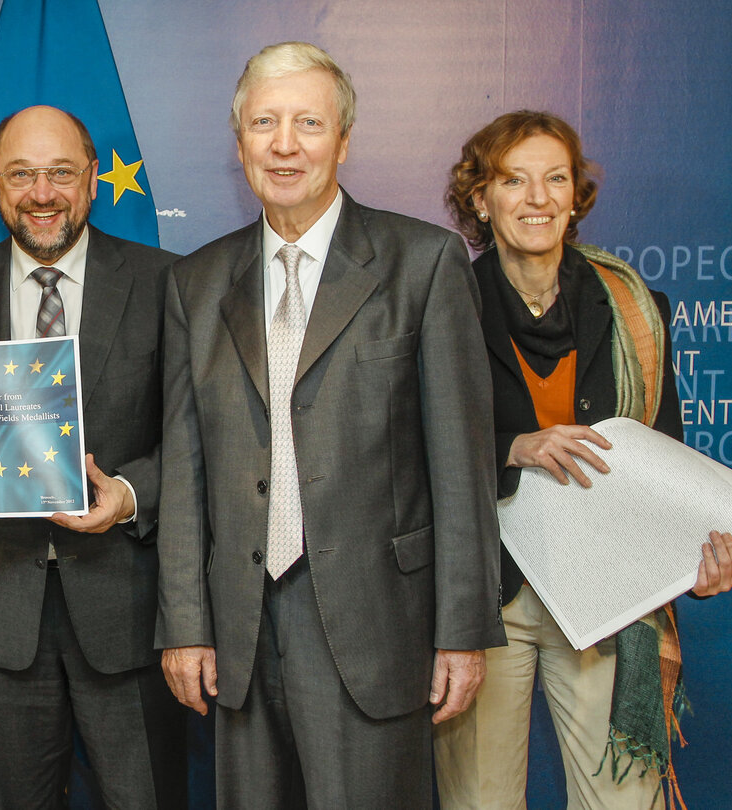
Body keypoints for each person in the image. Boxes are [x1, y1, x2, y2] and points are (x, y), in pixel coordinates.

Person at [156, 42, 505, 808]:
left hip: (378, 624)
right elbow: (182, 468)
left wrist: (461, 630)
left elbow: (460, 464)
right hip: (240, 629)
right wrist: (184, 622)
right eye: (264, 123)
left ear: (342, 140)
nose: (284, 144)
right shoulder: (194, 282)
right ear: (238, 140)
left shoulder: (422, 264)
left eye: (307, 123)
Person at [431, 110, 732, 810]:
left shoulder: (634, 307)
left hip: (606, 595)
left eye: (555, 179)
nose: (536, 198)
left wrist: (696, 564)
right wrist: (511, 448)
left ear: (576, 196)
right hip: (484, 597)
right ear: (479, 199)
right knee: (479, 801)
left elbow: (662, 466)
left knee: (623, 801)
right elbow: (407, 456)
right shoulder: (439, 304)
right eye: (513, 180)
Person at [0, 105, 185, 810]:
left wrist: (128, 492)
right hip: (1, 603)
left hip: (128, 602)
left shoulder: (166, 282)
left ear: (91, 181)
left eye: (60, 172)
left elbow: (200, 431)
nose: (42, 192)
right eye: (21, 173)